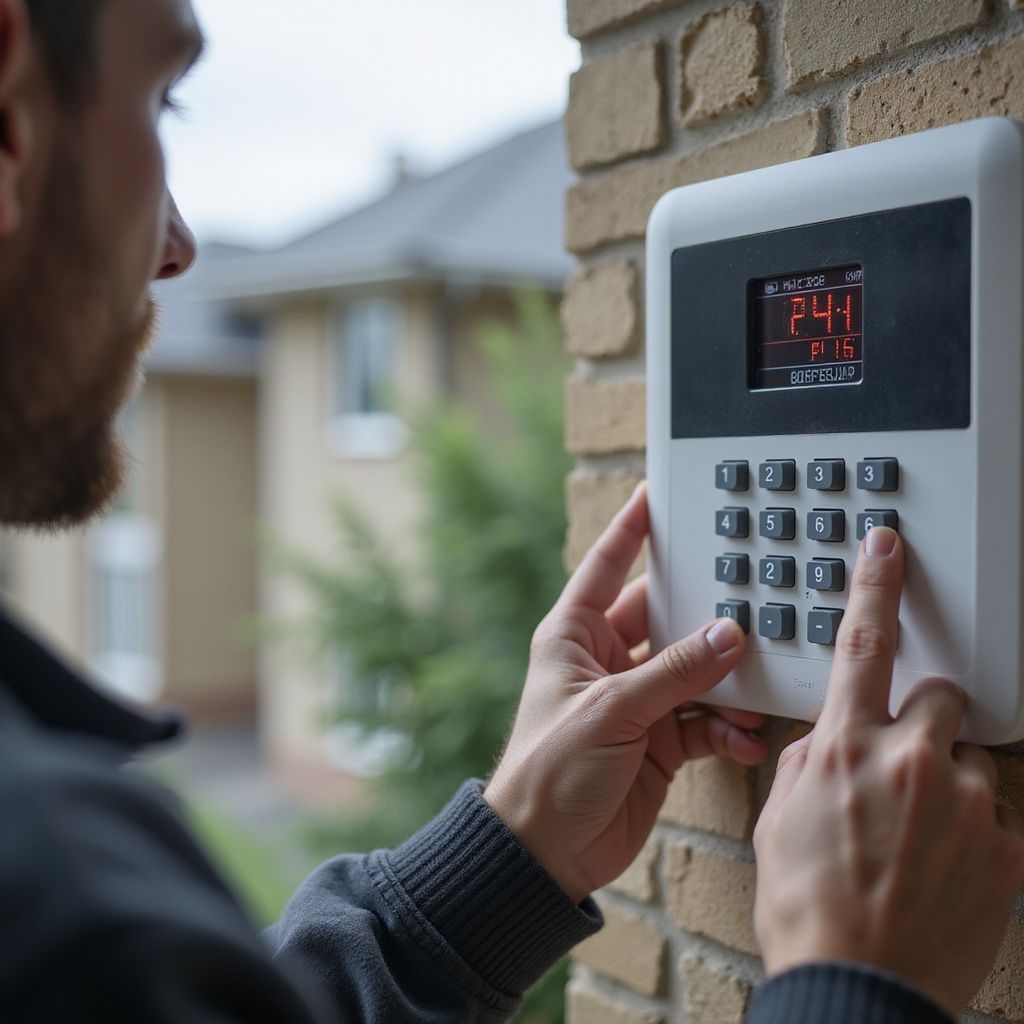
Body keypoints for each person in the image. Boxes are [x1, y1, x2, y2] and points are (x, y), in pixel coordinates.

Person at [0, 1, 1019, 1021]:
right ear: (11, 109)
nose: (178, 246)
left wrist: (510, 849)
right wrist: (852, 987)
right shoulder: (55, 896)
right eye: (160, 99)